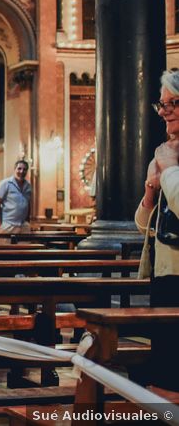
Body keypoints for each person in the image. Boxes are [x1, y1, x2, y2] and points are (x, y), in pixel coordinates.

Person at [137, 69, 179, 390]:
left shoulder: (169, 161)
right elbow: (144, 226)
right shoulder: (165, 155)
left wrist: (169, 172)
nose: (164, 112)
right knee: (165, 363)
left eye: (173, 103)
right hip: (164, 273)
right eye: (162, 105)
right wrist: (150, 193)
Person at [0, 160, 33, 237]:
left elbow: (28, 204)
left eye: (24, 169)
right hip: (8, 225)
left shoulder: (28, 186)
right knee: (5, 249)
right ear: (14, 169)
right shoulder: (5, 184)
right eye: (19, 168)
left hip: (23, 226)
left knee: (25, 249)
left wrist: (27, 221)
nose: (22, 171)